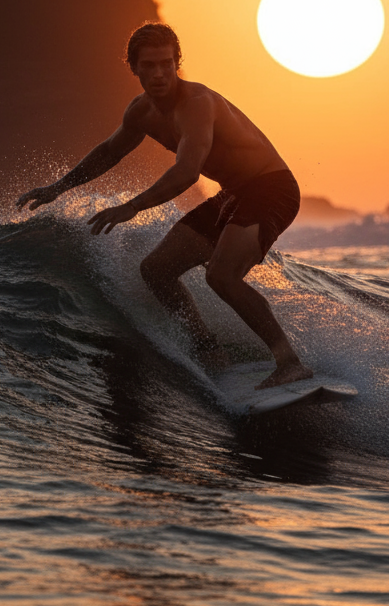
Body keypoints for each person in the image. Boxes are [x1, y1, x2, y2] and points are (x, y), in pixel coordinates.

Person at [16, 23, 312, 389]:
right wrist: (58, 188)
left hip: (272, 188)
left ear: (177, 64)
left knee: (221, 276)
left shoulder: (197, 105)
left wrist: (133, 207)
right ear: (134, 68)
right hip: (235, 193)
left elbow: (187, 171)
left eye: (166, 64)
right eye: (149, 65)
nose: (159, 73)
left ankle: (290, 363)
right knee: (156, 270)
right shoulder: (141, 112)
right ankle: (208, 350)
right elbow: (109, 152)